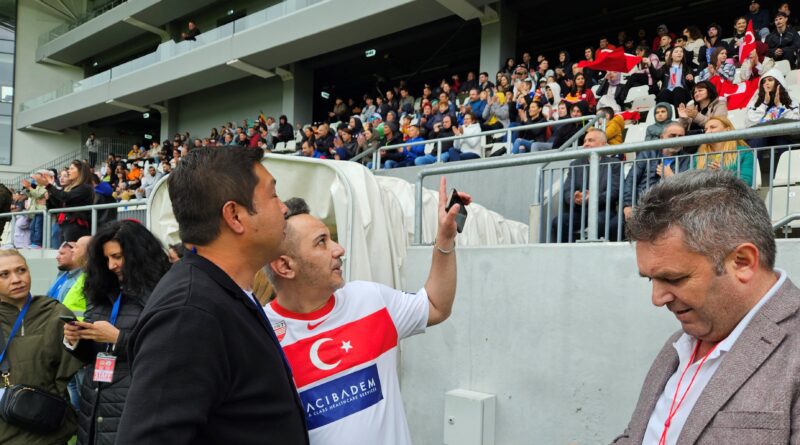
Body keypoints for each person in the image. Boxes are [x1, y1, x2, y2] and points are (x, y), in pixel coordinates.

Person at [115, 147, 308, 444]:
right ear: (235, 216)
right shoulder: (188, 314)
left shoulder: (223, 292)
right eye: (273, 195)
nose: (284, 208)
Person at [264, 181, 470, 444]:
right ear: (285, 266)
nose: (339, 249)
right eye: (321, 242)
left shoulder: (370, 299)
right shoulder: (261, 338)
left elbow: (435, 305)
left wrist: (445, 238)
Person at [614, 169, 797, 444]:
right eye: (651, 279)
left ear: (743, 262)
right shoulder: (678, 345)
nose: (657, 298)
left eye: (673, 278)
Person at [63, 220, 170, 445]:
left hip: (135, 405)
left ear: (139, 254)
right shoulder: (101, 292)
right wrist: (76, 340)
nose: (111, 265)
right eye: (106, 259)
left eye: (118, 257)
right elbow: (92, 354)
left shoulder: (163, 292)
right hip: (94, 403)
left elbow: (169, 351)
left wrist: (119, 339)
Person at [0, 250, 83, 445]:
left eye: (21, 270)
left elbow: (73, 368)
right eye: (4, 274)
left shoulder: (54, 312)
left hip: (46, 427)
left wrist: (78, 343)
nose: (16, 279)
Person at [550, 128, 622, 243]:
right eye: (585, 141)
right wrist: (574, 197)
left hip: (603, 210)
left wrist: (593, 198)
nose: (586, 144)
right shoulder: (575, 164)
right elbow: (567, 190)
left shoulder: (614, 164)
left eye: (591, 140)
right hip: (580, 211)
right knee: (558, 222)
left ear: (603, 144)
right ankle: (569, 252)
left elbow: (614, 191)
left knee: (598, 222)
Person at [621, 123, 691, 226]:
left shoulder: (687, 158)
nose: (677, 140)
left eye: (680, 136)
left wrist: (671, 177)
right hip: (641, 205)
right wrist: (627, 205)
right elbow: (631, 180)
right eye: (672, 136)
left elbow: (687, 189)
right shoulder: (647, 153)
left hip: (670, 209)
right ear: (662, 137)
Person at [35, 160, 94, 243]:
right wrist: (49, 196)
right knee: (61, 249)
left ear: (80, 172)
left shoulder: (85, 187)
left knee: (70, 249)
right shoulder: (71, 188)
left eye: (72, 169)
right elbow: (55, 207)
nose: (69, 171)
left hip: (76, 225)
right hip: (65, 224)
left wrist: (49, 185)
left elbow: (65, 197)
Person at [693, 116, 755, 187]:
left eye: (713, 127)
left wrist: (724, 173)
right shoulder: (697, 156)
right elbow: (689, 182)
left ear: (727, 130)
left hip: (732, 192)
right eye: (705, 130)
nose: (707, 132)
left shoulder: (744, 152)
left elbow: (747, 181)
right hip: (703, 193)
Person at [47, 235, 82, 303]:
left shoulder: (82, 279)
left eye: (62, 254)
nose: (57, 257)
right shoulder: (63, 274)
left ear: (74, 254)